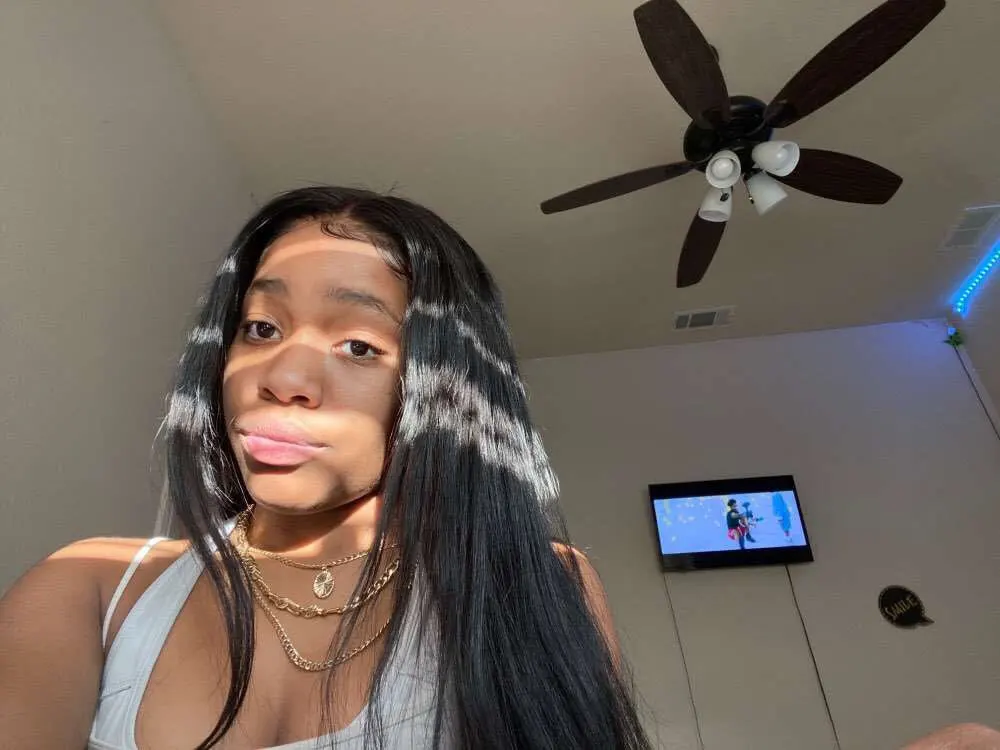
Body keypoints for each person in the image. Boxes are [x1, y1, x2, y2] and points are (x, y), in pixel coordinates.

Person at [0, 187, 649, 749]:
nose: (281, 378)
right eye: (261, 328)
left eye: (358, 345)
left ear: (449, 389)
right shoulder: (96, 588)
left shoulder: (530, 582)